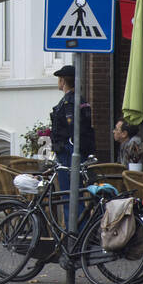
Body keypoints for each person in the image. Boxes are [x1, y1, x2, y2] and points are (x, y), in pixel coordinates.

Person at [50, 63, 95, 203]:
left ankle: (73, 224)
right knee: (74, 194)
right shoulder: (80, 100)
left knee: (69, 195)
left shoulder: (69, 102)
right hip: (74, 150)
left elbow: (72, 127)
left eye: (59, 79)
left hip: (68, 152)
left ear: (63, 81)